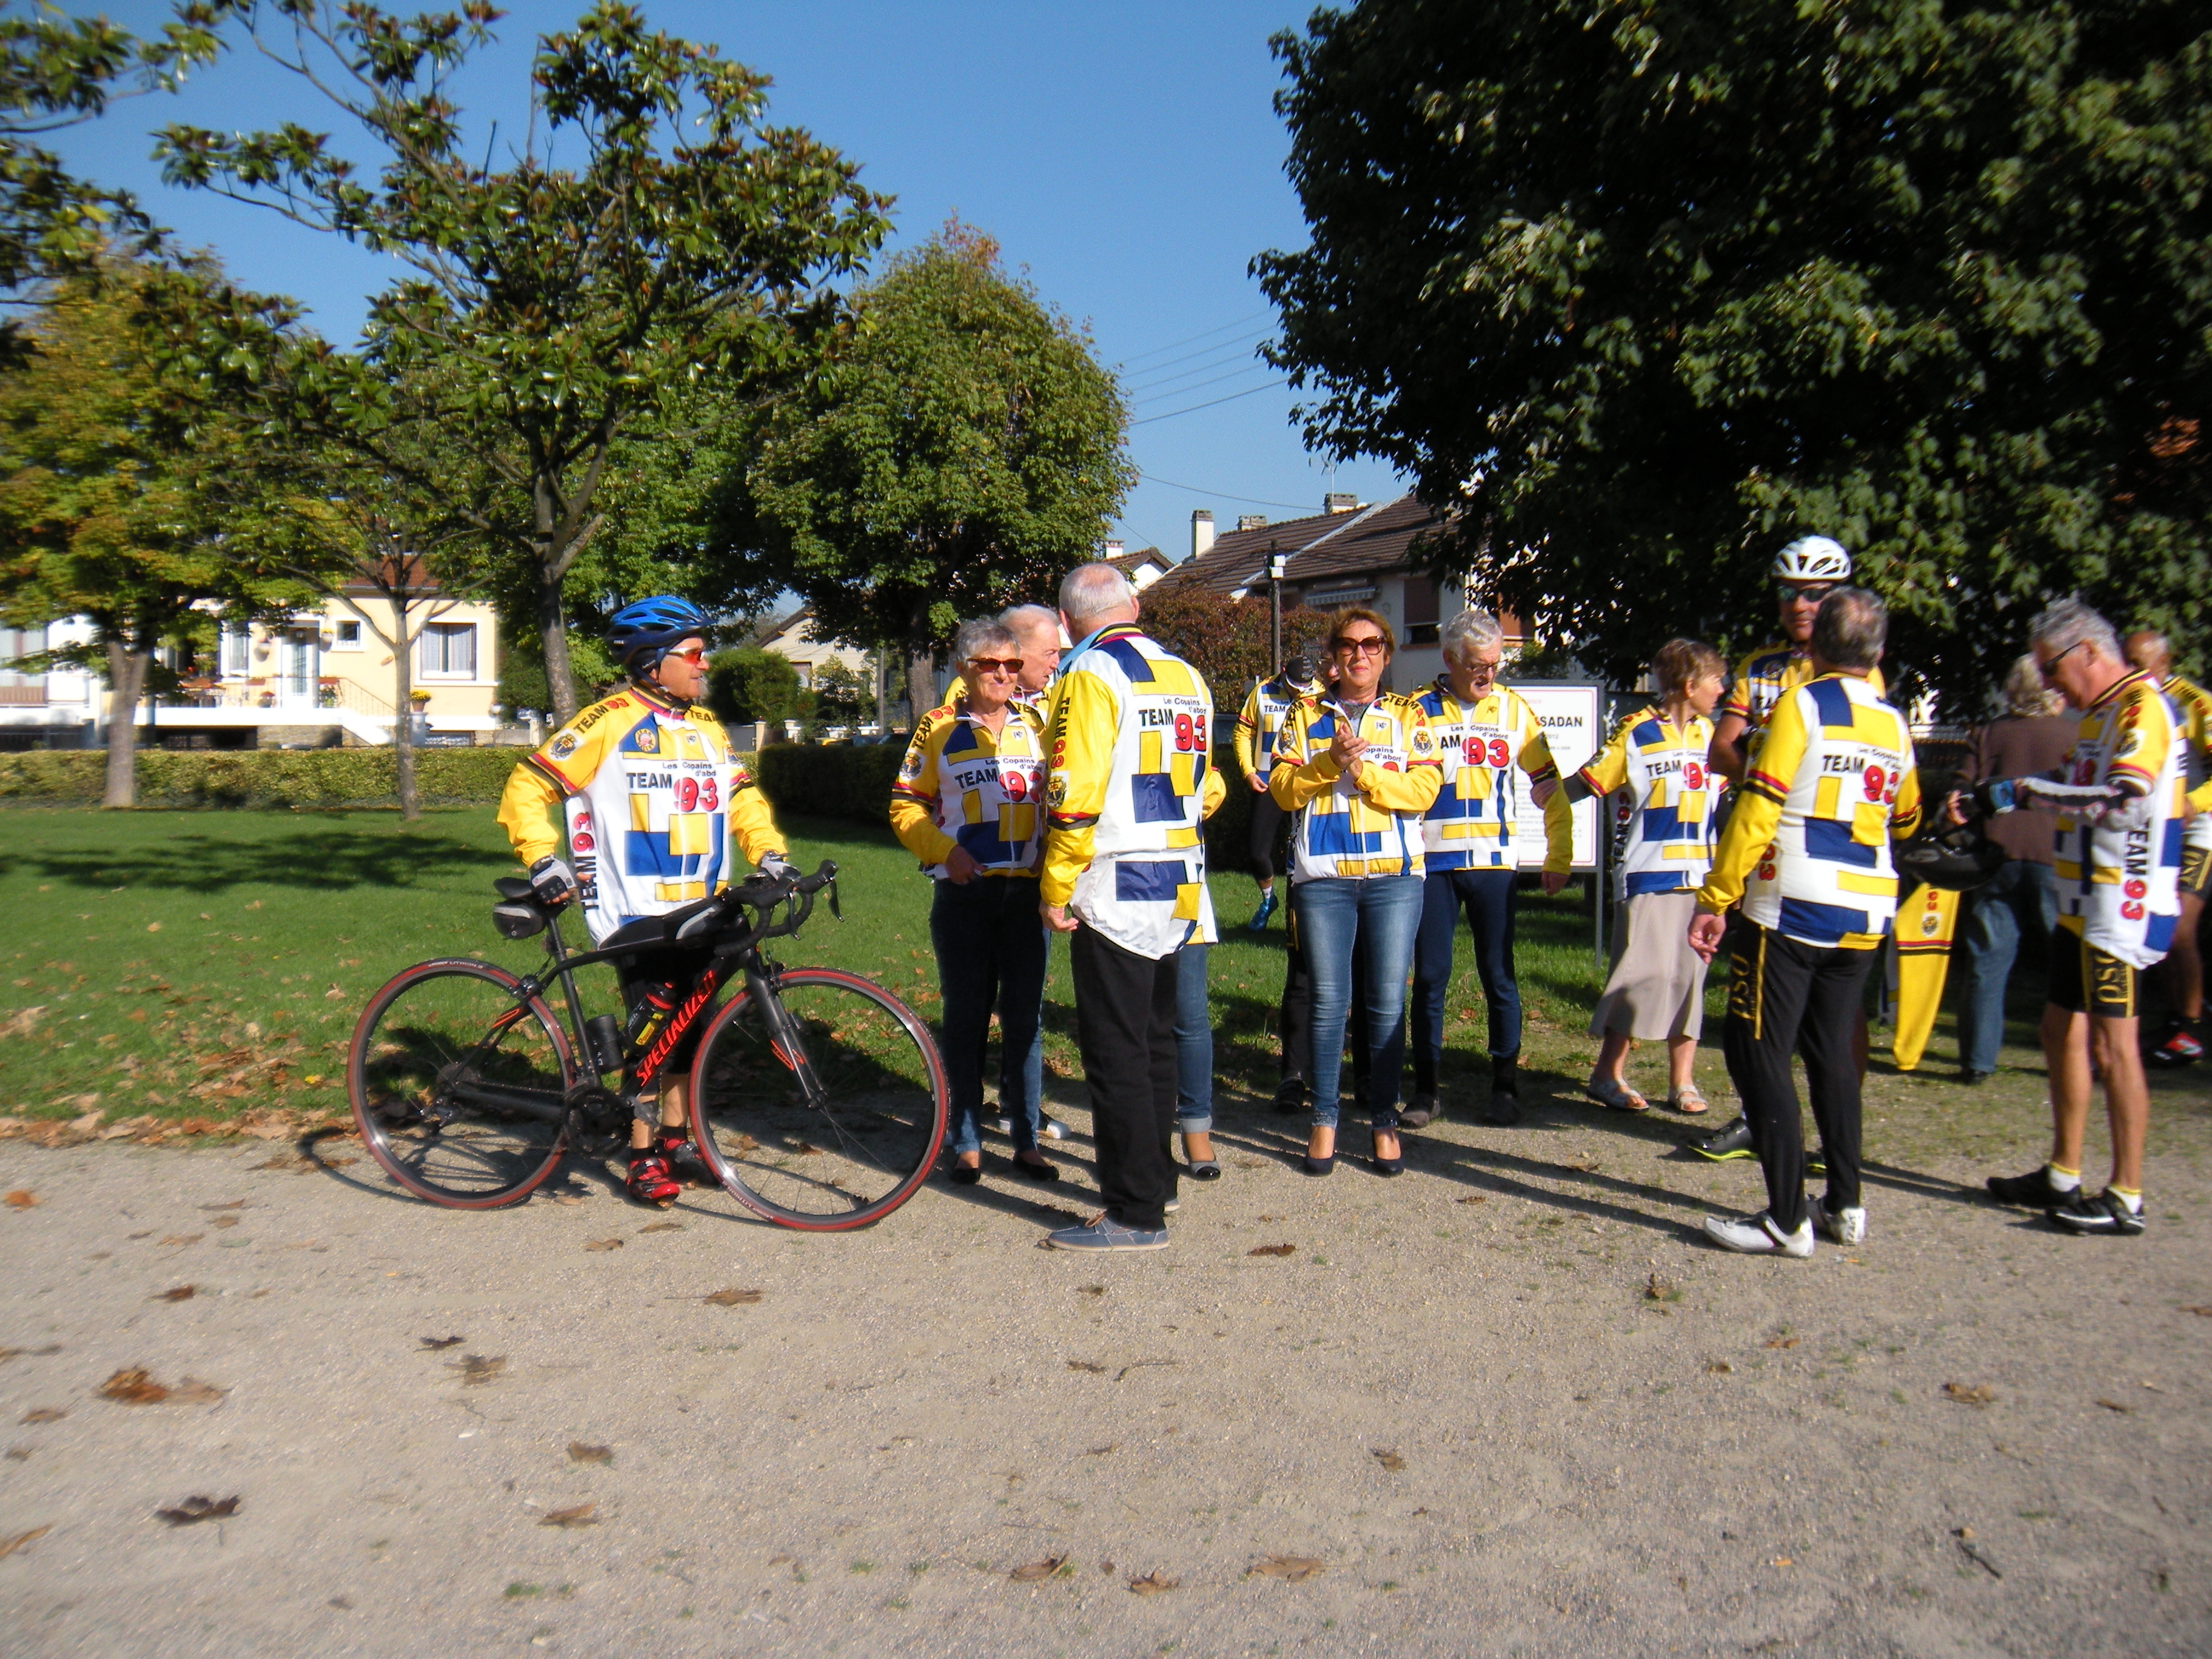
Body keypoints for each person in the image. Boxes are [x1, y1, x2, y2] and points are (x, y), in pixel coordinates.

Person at [495, 595, 795, 1207]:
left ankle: (677, 1140)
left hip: (703, 904)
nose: (705, 664)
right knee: (653, 1031)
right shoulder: (606, 722)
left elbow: (741, 799)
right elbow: (527, 784)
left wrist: (769, 852)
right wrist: (542, 856)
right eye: (694, 654)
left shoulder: (707, 728)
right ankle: (640, 1153)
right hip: (634, 910)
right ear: (653, 662)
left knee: (693, 1027)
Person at [1689, 588, 1920, 1255]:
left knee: (1756, 1050)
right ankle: (1845, 1204)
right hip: (1866, 904)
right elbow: (1908, 815)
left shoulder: (1801, 704)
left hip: (1791, 901)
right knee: (1832, 1054)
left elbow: (1760, 806)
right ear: (1878, 652)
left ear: (1815, 645)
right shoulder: (1894, 721)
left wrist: (1717, 896)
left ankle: (1787, 1217)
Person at [1976, 600, 2183, 1235]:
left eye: (2051, 668)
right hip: (2079, 896)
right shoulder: (2099, 713)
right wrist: (1999, 795)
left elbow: (2124, 800)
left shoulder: (2143, 707)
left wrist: (2024, 792)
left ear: (2088, 652)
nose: (2048, 683)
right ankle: (2063, 1172)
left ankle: (2126, 1195)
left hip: (2123, 901)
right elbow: (2071, 777)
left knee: (2112, 1045)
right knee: (2058, 1028)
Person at [1039, 563, 1220, 1251]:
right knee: (1154, 1041)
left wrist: (1056, 884)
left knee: (1116, 1049)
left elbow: (1074, 792)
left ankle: (1135, 1212)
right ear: (1135, 606)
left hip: (1118, 875)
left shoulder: (1091, 673)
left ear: (1066, 622)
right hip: (1180, 875)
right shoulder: (1188, 675)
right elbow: (1208, 785)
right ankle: (1157, 1181)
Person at [1693, 535, 1886, 1162]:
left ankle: (1838, 1133)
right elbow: (1721, 749)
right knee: (1756, 996)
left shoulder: (1864, 673)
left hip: (1832, 853)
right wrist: (1771, 766)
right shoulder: (1761, 667)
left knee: (1838, 1010)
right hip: (1764, 846)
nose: (1799, 605)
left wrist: (1778, 756)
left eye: (1814, 594)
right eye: (1788, 593)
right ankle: (1760, 1117)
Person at [1271, 607, 1443, 1175]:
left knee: (1387, 1002)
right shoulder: (1302, 714)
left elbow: (1424, 789)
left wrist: (1365, 773)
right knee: (1327, 1001)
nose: (1359, 654)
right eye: (1348, 645)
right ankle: (1324, 1119)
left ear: (1386, 655)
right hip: (1323, 878)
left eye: (1371, 645)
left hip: (1394, 878)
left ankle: (1383, 1121)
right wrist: (1329, 762)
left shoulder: (1409, 714)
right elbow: (1283, 790)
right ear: (1333, 656)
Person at [890, 618, 1057, 1186]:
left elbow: (1059, 800)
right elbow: (905, 805)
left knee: (1025, 1017)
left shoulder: (1037, 725)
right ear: (964, 668)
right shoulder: (938, 728)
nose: (1004, 675)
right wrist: (946, 852)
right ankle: (965, 1140)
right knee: (966, 1017)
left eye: (1013, 665)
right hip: (965, 892)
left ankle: (1026, 1139)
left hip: (1026, 893)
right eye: (991, 665)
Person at [1406, 608, 1572, 1128]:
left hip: (1494, 862)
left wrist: (1559, 854)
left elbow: (1551, 786)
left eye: (1496, 664)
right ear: (1450, 658)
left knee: (1498, 974)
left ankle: (1505, 1087)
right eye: (1478, 665)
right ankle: (1426, 1090)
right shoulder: (1416, 709)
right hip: (1433, 862)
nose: (1489, 675)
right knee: (1430, 977)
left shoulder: (1514, 709)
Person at [1566, 638, 1726, 1113]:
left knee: (1691, 976)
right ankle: (1607, 1073)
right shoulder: (1636, 732)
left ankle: (1683, 1082)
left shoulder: (1713, 736)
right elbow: (1589, 781)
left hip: (1701, 875)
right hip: (1648, 872)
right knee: (1639, 976)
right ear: (1690, 684)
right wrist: (1543, 788)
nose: (1722, 690)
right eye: (1716, 680)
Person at [1952, 655, 2073, 1082]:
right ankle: (2078, 1055)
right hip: (2056, 856)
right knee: (2069, 960)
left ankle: (1977, 1061)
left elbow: (1962, 789)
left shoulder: (1989, 732)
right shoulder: (2074, 735)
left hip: (1998, 853)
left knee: (1987, 960)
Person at [994, 601, 1071, 1142]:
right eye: (1050, 652)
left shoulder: (1059, 702)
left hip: (1034, 875)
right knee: (972, 1003)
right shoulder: (964, 705)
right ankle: (959, 1113)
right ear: (1015, 652)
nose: (1057, 662)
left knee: (1026, 1003)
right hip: (974, 881)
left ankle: (1022, 1108)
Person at [2122, 629, 2212, 1067]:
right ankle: (2174, 1019)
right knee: (2154, 921)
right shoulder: (2127, 702)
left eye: (2139, 664)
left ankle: (2190, 1031)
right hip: (2160, 823)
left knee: (2180, 928)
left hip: (2201, 825)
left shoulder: (2196, 704)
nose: (2131, 671)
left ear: (2164, 663)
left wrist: (2193, 804)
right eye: (2126, 661)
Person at [1235, 653, 1322, 931]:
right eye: (1295, 685)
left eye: (1305, 687)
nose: (1300, 691)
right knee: (1257, 853)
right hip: (1267, 780)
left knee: (1303, 853)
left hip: (1304, 781)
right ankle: (1268, 899)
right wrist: (1249, 772)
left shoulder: (1321, 693)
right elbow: (1243, 732)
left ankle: (1301, 914)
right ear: (1283, 672)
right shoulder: (1263, 692)